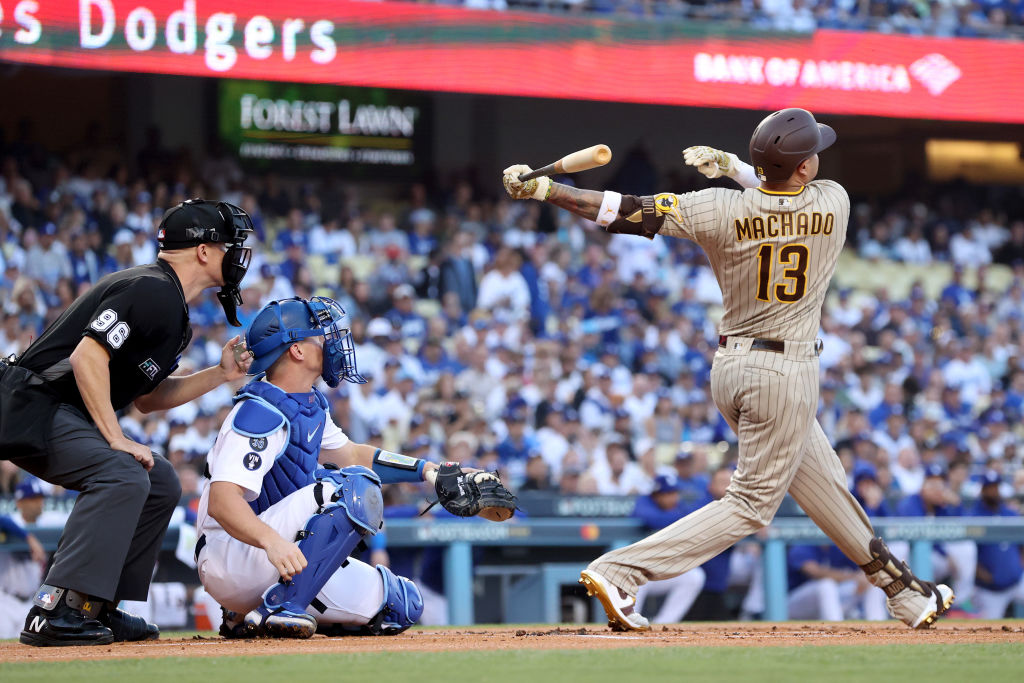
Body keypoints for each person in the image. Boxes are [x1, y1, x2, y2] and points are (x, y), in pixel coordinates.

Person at [502, 108, 953, 631]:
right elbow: (782, 196)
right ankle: (620, 571)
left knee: (824, 482)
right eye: (811, 154)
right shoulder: (835, 200)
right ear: (803, 169)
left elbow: (621, 211)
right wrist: (737, 167)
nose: (816, 160)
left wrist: (546, 192)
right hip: (787, 370)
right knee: (751, 505)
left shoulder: (716, 208)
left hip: (733, 366)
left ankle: (902, 592)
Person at [0, 199, 255, 646]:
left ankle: (97, 605)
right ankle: (58, 610)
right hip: (30, 402)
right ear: (202, 250)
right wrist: (115, 439)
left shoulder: (170, 303)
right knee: (122, 472)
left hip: (52, 407)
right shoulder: (152, 289)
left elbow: (148, 399)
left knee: (160, 481)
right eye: (230, 244)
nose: (237, 255)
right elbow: (87, 355)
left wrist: (219, 375)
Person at [196, 296, 477, 639]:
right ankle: (282, 609)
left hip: (275, 559)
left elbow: (353, 455)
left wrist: (427, 471)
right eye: (320, 335)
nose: (330, 342)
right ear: (297, 350)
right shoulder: (260, 412)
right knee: (354, 487)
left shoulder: (309, 403)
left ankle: (253, 613)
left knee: (401, 604)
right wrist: (271, 541)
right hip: (234, 554)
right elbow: (222, 502)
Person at [632, 474, 706, 624]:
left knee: (694, 576)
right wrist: (677, 518)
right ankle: (627, 622)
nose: (673, 498)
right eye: (668, 494)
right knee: (636, 576)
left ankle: (664, 623)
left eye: (675, 493)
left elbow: (690, 516)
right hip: (632, 572)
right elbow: (648, 518)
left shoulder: (678, 507)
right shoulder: (643, 502)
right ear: (656, 495)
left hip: (658, 571)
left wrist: (675, 517)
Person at [969, 471, 1024, 618]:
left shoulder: (1010, 513)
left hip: (1017, 581)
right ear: (983, 490)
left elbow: (1021, 544)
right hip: (989, 589)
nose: (993, 491)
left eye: (996, 487)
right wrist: (980, 573)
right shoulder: (973, 516)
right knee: (988, 630)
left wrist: (1019, 565)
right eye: (989, 488)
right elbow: (968, 553)